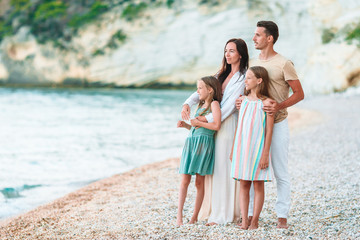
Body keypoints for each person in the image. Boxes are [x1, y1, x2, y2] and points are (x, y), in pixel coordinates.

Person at [236, 20, 304, 228]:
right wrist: (242, 99)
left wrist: (279, 106)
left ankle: (282, 215)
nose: (254, 38)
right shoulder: (255, 61)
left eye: (258, 35)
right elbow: (250, 88)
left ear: (269, 38)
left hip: (279, 122)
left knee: (280, 171)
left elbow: (299, 93)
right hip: (254, 126)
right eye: (254, 34)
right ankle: (247, 216)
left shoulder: (284, 63)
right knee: (249, 168)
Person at [181, 38, 249, 225]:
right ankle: (212, 210)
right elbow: (203, 90)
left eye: (232, 51)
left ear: (241, 54)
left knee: (223, 168)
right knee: (213, 169)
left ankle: (223, 214)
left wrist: (203, 119)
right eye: (226, 50)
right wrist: (188, 103)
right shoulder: (221, 74)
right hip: (213, 126)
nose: (227, 54)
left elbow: (228, 108)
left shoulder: (243, 77)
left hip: (227, 125)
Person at [230, 66, 274, 230]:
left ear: (259, 80)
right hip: (243, 149)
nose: (246, 81)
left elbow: (269, 131)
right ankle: (245, 220)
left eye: (249, 78)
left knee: (258, 184)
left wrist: (265, 155)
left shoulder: (267, 103)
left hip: (258, 150)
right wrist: (233, 149)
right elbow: (239, 127)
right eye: (245, 78)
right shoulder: (243, 102)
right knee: (243, 184)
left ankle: (255, 220)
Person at [176, 76, 222, 226]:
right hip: (191, 144)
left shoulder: (214, 104)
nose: (197, 91)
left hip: (203, 147)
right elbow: (196, 128)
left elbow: (216, 126)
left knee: (199, 183)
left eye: (200, 88)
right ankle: (179, 217)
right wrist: (187, 126)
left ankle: (194, 217)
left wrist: (197, 123)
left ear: (210, 90)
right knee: (184, 181)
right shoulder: (200, 106)